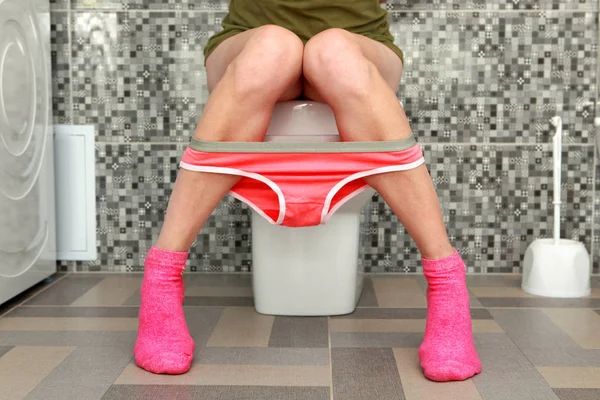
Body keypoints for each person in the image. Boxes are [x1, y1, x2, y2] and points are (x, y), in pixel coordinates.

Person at [133, 0, 482, 382]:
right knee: (273, 47)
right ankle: (162, 278)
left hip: (359, 41)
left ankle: (447, 281)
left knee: (332, 51)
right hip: (249, 37)